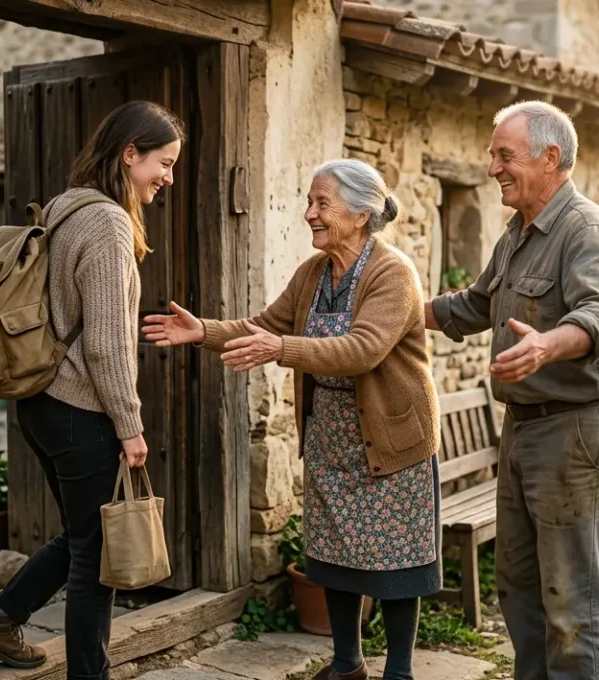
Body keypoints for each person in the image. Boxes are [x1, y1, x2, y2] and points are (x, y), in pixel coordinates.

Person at [144, 160, 440, 680]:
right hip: (331, 439)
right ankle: (347, 664)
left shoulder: (393, 274)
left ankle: (399, 672)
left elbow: (363, 349)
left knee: (397, 565)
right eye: (310, 202)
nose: (310, 214)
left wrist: (280, 349)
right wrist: (204, 332)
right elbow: (261, 326)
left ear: (361, 212)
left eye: (322, 203)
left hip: (391, 439)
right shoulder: (313, 274)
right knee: (335, 555)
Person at [0, 100, 184, 680]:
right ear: (130, 154)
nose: (168, 177)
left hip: (40, 402)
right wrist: (130, 427)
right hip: (80, 409)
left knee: (85, 535)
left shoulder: (63, 206)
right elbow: (107, 345)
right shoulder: (106, 222)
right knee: (98, 557)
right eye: (164, 162)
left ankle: (0, 621)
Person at [424, 100, 599, 680]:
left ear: (550, 157)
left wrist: (547, 344)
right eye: (493, 155)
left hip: (575, 432)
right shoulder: (517, 234)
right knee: (519, 587)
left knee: (573, 603)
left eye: (504, 155)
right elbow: (473, 305)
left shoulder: (586, 229)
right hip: (523, 430)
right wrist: (396, 314)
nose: (492, 167)